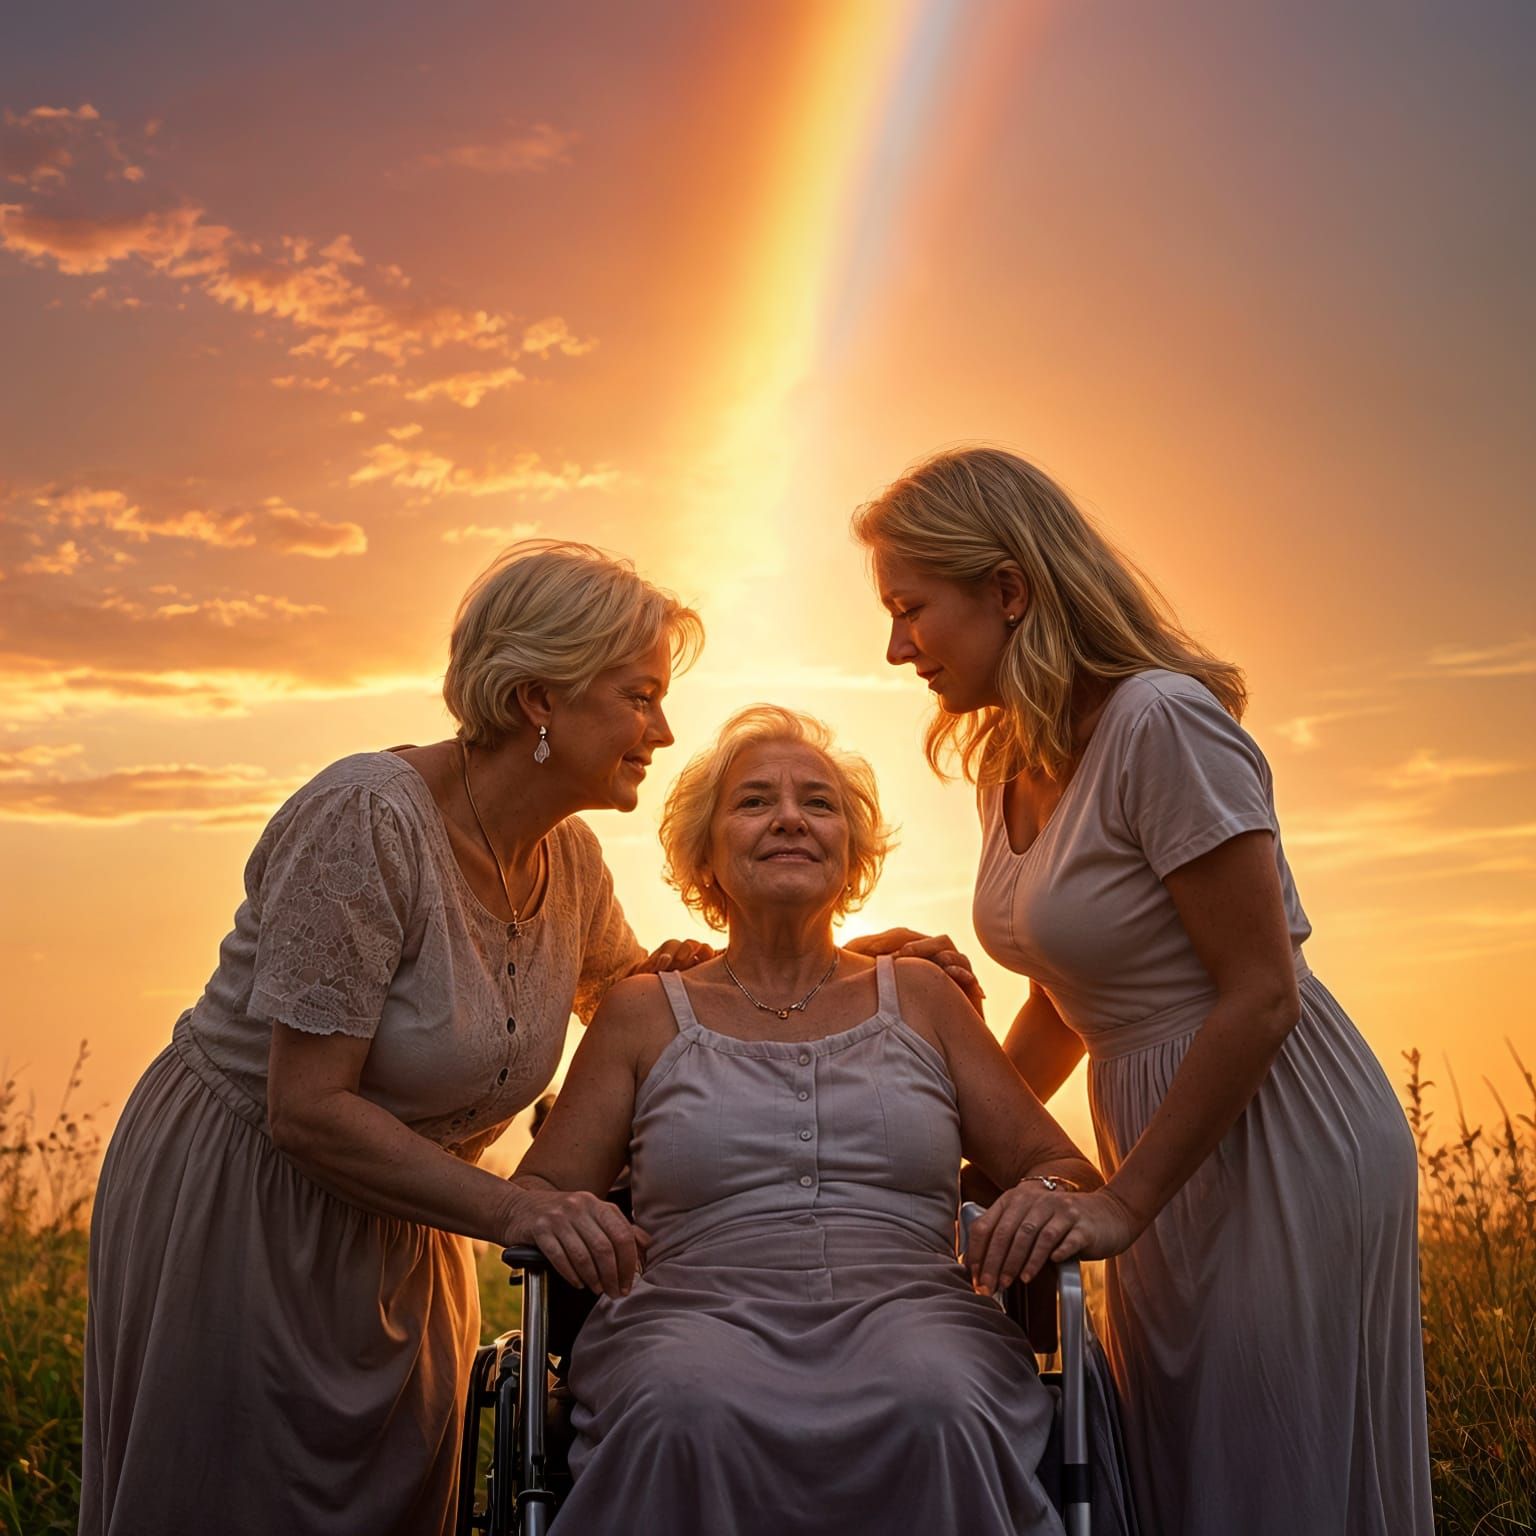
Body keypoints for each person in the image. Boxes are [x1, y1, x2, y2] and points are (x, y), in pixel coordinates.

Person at [852, 446, 1434, 1535]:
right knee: (1179, 1467)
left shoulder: (1160, 722)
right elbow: (1075, 994)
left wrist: (1124, 1201)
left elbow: (1262, 993)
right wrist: (957, 1146)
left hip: (1276, 1130)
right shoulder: (1005, 757)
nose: (894, 648)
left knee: (1271, 1473)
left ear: (1008, 590)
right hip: (1159, 1139)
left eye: (909, 608)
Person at [81, 540, 714, 1536]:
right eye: (640, 696)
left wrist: (845, 962)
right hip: (248, 1204)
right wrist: (522, 1213)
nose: (663, 730)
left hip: (410, 1223)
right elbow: (306, 1108)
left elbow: (644, 1004)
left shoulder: (572, 861)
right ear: (540, 697)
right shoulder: (365, 818)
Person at [505, 705, 1126, 1536]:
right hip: (690, 1313)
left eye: (819, 803)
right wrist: (565, 1212)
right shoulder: (642, 1011)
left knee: (934, 1403)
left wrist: (1046, 1194)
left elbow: (1062, 1167)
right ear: (706, 854)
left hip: (917, 1308)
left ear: (853, 855)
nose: (791, 817)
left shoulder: (924, 998)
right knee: (684, 1409)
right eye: (755, 801)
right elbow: (540, 1189)